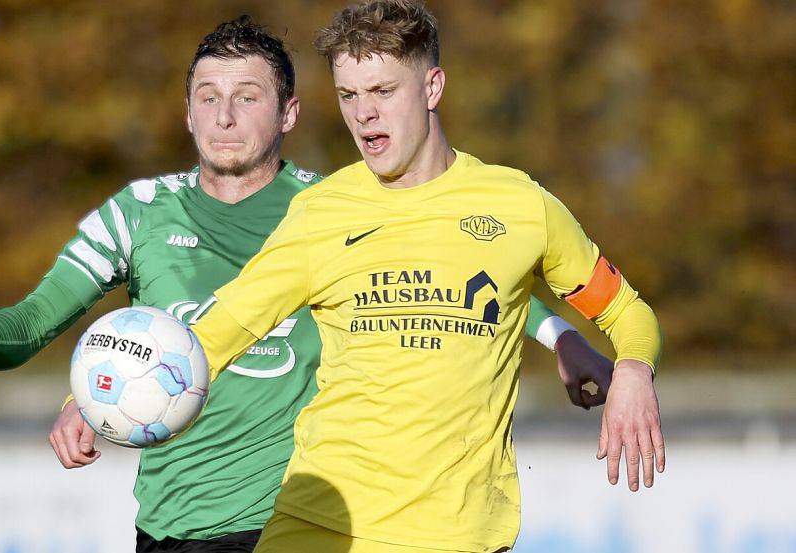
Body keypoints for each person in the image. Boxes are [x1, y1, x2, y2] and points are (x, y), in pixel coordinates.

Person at [0, 15, 613, 553]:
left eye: (247, 97)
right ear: (187, 112)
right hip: (172, 521)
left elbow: (450, 276)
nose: (224, 116)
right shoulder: (136, 212)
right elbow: (35, 320)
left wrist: (557, 335)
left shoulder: (332, 210)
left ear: (287, 114)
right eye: (208, 97)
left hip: (298, 516)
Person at [185, 2, 665, 552]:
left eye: (383, 91)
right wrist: (109, 388)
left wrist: (632, 370)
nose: (364, 113)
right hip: (317, 527)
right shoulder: (320, 214)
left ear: (432, 87)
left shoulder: (519, 205)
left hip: (455, 536)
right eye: (349, 95)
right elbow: (214, 335)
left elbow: (625, 311)